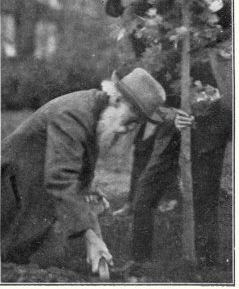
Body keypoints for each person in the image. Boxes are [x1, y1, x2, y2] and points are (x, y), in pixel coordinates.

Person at [2, 67, 170, 274]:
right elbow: (61, 178)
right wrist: (90, 237)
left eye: (136, 125)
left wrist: (89, 194)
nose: (128, 130)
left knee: (18, 257)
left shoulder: (95, 114)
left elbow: (75, 169)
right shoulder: (74, 114)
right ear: (117, 101)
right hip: (9, 185)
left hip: (29, 187)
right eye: (131, 121)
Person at [113, 84, 231, 269]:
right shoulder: (157, 77)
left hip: (205, 130)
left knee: (204, 197)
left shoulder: (217, 62)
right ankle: (140, 261)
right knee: (144, 193)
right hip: (170, 131)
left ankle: (208, 263)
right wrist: (174, 119)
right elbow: (162, 108)